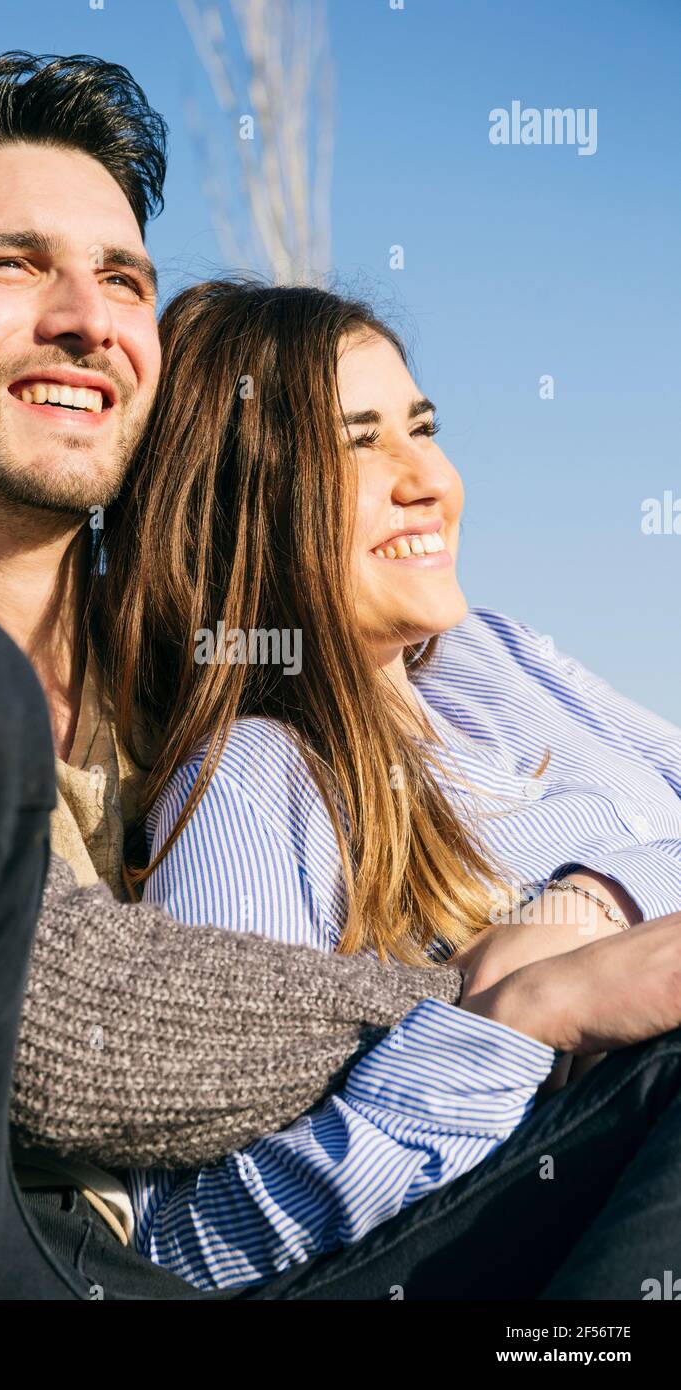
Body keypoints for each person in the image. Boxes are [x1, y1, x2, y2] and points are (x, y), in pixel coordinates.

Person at [0, 50, 681, 1303]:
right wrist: (489, 1001)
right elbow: (49, 1013)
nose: (85, 317)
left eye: (122, 279)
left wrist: (587, 902)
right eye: (8, 263)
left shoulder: (222, 673)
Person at [94, 279, 681, 1293]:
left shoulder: (494, 657)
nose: (426, 479)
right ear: (244, 505)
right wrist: (521, 1017)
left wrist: (593, 901)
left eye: (421, 426)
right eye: (356, 444)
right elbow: (183, 1251)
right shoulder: (250, 780)